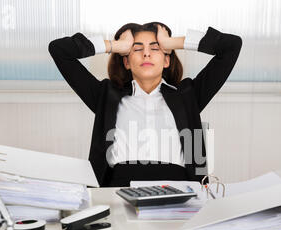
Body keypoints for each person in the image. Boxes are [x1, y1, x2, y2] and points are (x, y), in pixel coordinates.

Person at [49, 22, 242, 187]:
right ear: (126, 61)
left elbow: (231, 46)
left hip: (180, 194)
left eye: (155, 48)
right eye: (137, 49)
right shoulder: (106, 96)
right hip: (117, 192)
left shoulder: (187, 96)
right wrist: (114, 45)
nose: (146, 54)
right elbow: (59, 50)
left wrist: (173, 42)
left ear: (167, 60)